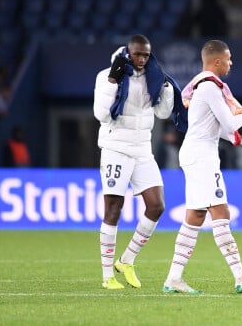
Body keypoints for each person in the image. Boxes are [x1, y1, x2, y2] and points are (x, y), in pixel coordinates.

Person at [162, 39, 242, 294]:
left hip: (195, 152)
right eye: (229, 59)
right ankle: (241, 276)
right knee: (221, 212)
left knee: (195, 216)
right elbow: (231, 124)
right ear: (217, 61)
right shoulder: (210, 88)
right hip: (201, 156)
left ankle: (173, 278)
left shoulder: (205, 87)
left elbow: (219, 127)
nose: (231, 63)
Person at [93, 34, 186, 290]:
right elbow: (101, 114)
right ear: (128, 53)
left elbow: (163, 113)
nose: (142, 59)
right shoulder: (106, 76)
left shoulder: (151, 77)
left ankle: (127, 260)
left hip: (142, 150)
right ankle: (106, 275)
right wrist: (113, 80)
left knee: (156, 206)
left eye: (146, 54)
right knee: (114, 209)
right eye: (137, 54)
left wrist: (166, 89)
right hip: (115, 149)